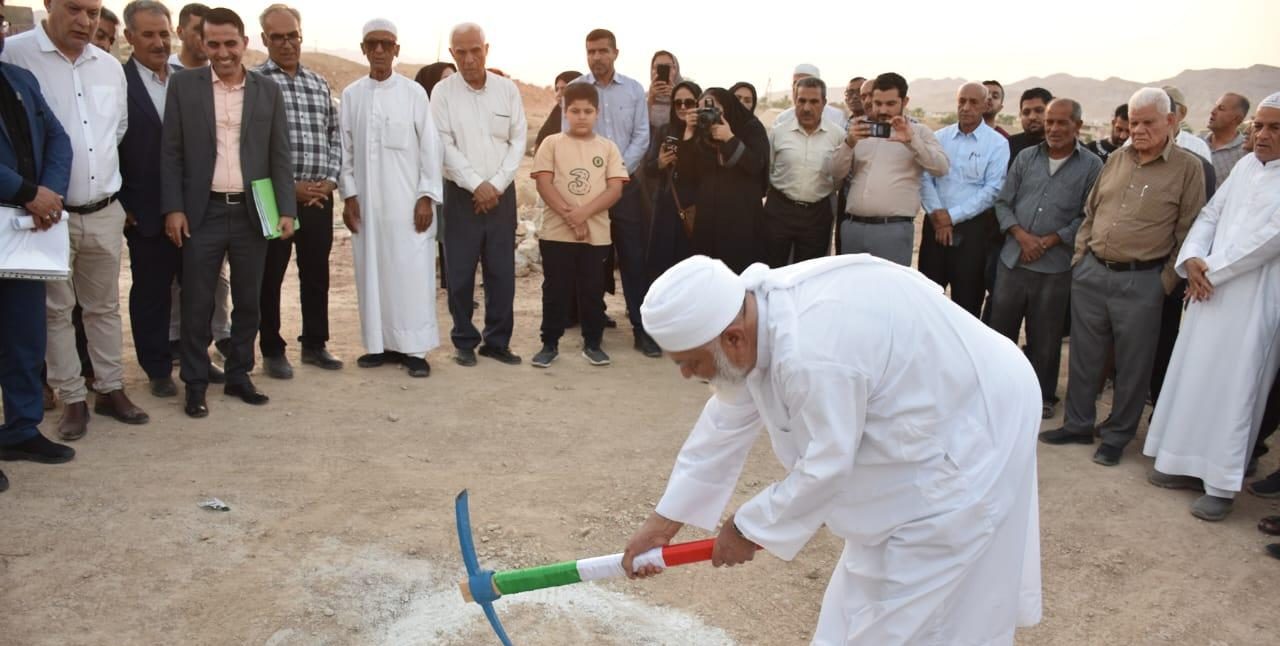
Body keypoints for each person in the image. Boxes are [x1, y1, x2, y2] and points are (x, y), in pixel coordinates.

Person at [623, 254, 1042, 644]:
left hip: (976, 423)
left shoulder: (810, 351)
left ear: (732, 338)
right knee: (864, 592)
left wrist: (748, 528)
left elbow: (827, 464)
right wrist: (663, 524)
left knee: (907, 603)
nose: (685, 374)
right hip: (933, 409)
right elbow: (724, 421)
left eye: (691, 362)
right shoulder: (756, 317)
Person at [3, 0, 148, 440]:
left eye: (94, 11)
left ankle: (110, 389)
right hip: (45, 216)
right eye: (75, 9)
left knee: (104, 307)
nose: (86, 21)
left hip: (104, 209)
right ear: (48, 5)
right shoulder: (16, 55)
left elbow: (115, 132)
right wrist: (38, 195)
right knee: (55, 312)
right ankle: (70, 398)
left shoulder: (108, 66)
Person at [1039, 88, 1205, 467]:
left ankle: (1117, 436)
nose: (1140, 130)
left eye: (1148, 122)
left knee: (1133, 364)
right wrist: (1081, 258)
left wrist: (1162, 282)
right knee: (1084, 356)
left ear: (1170, 121)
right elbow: (1091, 211)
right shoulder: (1115, 158)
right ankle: (1079, 424)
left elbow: (1189, 232)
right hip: (1093, 273)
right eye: (1134, 122)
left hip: (1142, 280)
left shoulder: (1188, 168)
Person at [1142, 94, 1280, 522]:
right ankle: (1180, 462)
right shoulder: (1243, 168)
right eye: (1258, 126)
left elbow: (1267, 241)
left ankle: (1220, 484)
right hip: (1207, 291)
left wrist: (1210, 271)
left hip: (1252, 298)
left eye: (1274, 128)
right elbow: (1208, 216)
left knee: (1236, 388)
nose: (1262, 135)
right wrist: (1193, 261)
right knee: (1196, 375)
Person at [162, 7, 296, 417]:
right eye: (214, 44)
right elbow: (171, 153)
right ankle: (196, 383)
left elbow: (279, 155)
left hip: (252, 213)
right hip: (203, 213)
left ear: (245, 43)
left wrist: (285, 210)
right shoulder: (183, 86)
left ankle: (239, 375)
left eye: (230, 44)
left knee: (249, 300)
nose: (223, 52)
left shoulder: (267, 90)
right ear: (202, 43)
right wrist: (174, 209)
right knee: (197, 301)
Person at [0, 0, 77, 491]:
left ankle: (21, 428)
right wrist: (28, 192)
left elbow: (58, 138)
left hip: (23, 232)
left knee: (24, 334)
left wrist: (46, 196)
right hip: (20, 207)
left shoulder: (17, 79)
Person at [339, 18, 443, 378]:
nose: (379, 50)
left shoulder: (413, 93)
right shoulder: (352, 95)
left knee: (411, 273)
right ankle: (379, 345)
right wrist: (349, 195)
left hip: (409, 205)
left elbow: (430, 148)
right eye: (372, 44)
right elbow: (345, 151)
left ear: (396, 50)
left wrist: (427, 196)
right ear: (364, 49)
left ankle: (414, 350)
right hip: (368, 207)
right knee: (372, 271)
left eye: (386, 44)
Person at [989, 98, 1103, 420]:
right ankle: (998, 390)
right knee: (1001, 332)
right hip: (1013, 259)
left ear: (1077, 126)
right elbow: (1002, 203)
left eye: (1061, 123)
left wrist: (1051, 240)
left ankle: (1041, 396)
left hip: (1054, 267)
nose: (1053, 128)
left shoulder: (1092, 166)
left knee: (1046, 337)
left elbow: (1087, 216)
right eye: (1050, 122)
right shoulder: (1026, 157)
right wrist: (1021, 236)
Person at [253, 4, 343, 379]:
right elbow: (251, 147)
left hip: (319, 197)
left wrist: (331, 180)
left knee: (316, 272)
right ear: (264, 40)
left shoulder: (318, 83)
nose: (287, 44)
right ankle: (272, 349)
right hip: (276, 197)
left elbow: (335, 137)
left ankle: (315, 344)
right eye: (278, 37)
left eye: (292, 36)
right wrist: (289, 188)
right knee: (270, 274)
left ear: (301, 36)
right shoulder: (255, 84)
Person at [431, 23, 524, 369]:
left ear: (487, 49)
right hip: (460, 195)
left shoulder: (507, 90)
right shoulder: (442, 93)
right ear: (452, 54)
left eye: (475, 51)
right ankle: (465, 340)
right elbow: (443, 145)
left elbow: (517, 141)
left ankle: (497, 342)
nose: (469, 59)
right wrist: (476, 184)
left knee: (502, 271)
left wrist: (496, 185)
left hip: (501, 195)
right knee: (460, 271)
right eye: (461, 52)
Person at [569, 29, 658, 357]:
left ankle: (641, 329)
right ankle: (592, 336)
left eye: (603, 51)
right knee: (591, 262)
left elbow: (642, 137)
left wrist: (616, 173)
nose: (596, 58)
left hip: (626, 190)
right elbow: (570, 137)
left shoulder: (634, 90)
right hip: (589, 193)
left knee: (633, 261)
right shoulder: (577, 90)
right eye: (591, 51)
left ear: (615, 53)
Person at [530, 82, 628, 368]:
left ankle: (593, 343)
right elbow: (544, 184)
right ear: (565, 111)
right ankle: (549, 343)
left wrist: (582, 215)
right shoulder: (552, 144)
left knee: (592, 289)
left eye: (588, 111)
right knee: (555, 289)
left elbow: (614, 190)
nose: (581, 116)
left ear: (597, 112)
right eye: (575, 110)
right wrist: (570, 217)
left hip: (596, 236)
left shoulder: (608, 148)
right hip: (556, 234)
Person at [118, 0, 183, 398]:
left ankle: (194, 359)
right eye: (148, 35)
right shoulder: (116, 82)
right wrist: (122, 202)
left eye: (164, 33)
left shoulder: (187, 80)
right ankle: (158, 368)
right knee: (152, 291)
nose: (159, 42)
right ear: (129, 38)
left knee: (195, 289)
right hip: (143, 210)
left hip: (190, 208)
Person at [165, 1, 230, 376]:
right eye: (202, 34)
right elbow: (170, 150)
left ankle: (210, 353)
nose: (216, 48)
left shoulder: (230, 84)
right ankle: (177, 361)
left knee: (211, 286)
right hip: (182, 202)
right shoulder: (174, 78)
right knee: (178, 286)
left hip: (220, 206)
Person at [837, 72, 948, 265]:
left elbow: (941, 168)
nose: (882, 109)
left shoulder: (920, 132)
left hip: (893, 231)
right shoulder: (860, 131)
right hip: (853, 228)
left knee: (887, 293)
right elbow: (835, 174)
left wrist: (911, 141)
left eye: (890, 104)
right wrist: (848, 143)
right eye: (878, 103)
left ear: (905, 101)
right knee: (851, 292)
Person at [918, 82, 1009, 316]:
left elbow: (993, 189)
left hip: (972, 233)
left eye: (973, 102)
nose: (966, 107)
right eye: (962, 101)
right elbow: (924, 178)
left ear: (985, 105)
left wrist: (951, 217)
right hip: (934, 227)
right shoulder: (939, 138)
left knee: (966, 303)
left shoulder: (997, 144)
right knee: (927, 300)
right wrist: (938, 214)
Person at [676, 87, 769, 273]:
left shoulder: (750, 127)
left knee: (739, 273)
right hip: (707, 221)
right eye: (702, 108)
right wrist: (688, 133)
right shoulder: (701, 133)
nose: (707, 114)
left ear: (727, 106)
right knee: (708, 276)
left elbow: (756, 165)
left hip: (741, 220)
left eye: (713, 108)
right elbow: (685, 175)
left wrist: (730, 138)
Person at [764, 77, 848, 267]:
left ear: (824, 103)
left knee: (809, 273)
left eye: (814, 101)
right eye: (801, 101)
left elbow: (839, 177)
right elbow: (767, 170)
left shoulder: (838, 136)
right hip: (779, 210)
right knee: (771, 268)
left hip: (817, 214)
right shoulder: (778, 133)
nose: (807, 108)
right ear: (794, 100)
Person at [641, 80, 700, 281]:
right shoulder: (665, 130)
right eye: (678, 103)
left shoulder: (706, 132)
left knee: (689, 268)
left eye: (689, 103)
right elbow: (648, 168)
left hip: (693, 208)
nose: (683, 107)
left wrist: (690, 134)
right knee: (662, 267)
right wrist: (659, 163)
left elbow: (699, 170)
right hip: (667, 207)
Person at [773, 63, 845, 127]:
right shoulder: (782, 119)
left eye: (805, 83)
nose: (799, 87)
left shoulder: (836, 117)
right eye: (796, 83)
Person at [1204, 92, 1251, 188]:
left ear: (1237, 118)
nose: (1213, 111)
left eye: (1221, 109)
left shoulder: (1247, 152)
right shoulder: (1197, 145)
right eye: (1215, 107)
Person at [535, 70, 581, 149]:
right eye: (557, 89)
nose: (558, 94)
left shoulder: (590, 118)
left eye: (564, 89)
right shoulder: (556, 116)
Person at [1007, 87, 1051, 164]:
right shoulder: (1008, 146)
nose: (1032, 117)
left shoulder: (1066, 147)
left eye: (1039, 111)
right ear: (1020, 115)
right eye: (1026, 112)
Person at [646, 50, 681, 133]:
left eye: (668, 67)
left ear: (675, 70)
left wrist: (676, 99)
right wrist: (650, 100)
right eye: (658, 67)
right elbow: (635, 126)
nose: (663, 71)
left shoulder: (687, 97)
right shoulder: (640, 97)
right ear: (651, 70)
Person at [168, 3, 208, 69]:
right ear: (180, 32)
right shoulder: (163, 69)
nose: (204, 36)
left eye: (208, 30)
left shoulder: (222, 71)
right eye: (198, 29)